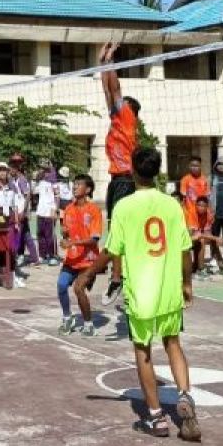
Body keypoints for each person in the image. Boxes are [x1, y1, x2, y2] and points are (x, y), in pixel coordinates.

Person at [88, 147, 199, 441]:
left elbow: (111, 251)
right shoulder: (172, 205)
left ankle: (156, 417)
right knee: (173, 344)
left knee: (143, 351)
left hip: (141, 292)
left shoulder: (124, 207)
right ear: (158, 171)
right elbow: (186, 250)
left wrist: (87, 274)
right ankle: (185, 396)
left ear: (133, 171)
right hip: (168, 289)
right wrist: (187, 283)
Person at [99, 41, 140, 306]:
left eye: (121, 103)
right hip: (116, 182)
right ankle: (120, 276)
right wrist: (102, 62)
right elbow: (107, 89)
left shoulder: (126, 119)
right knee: (114, 231)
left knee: (119, 233)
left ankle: (118, 278)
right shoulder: (117, 120)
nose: (115, 103)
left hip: (125, 180)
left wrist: (112, 62)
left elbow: (114, 88)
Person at [57, 175, 103, 337]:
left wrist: (72, 244)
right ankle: (67, 318)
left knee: (78, 288)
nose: (74, 187)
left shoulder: (94, 210)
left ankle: (89, 324)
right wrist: (65, 237)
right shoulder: (68, 209)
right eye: (74, 184)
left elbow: (94, 239)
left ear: (88, 189)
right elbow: (67, 234)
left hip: (89, 261)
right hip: (72, 259)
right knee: (61, 286)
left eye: (78, 184)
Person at [0, 164, 27, 288]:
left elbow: (15, 206)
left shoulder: (12, 188)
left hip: (9, 219)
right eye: (1, 171)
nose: (3, 173)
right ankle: (4, 273)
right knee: (0, 246)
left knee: (12, 247)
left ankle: (12, 273)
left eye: (5, 171)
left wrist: (16, 222)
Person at [8, 155, 41, 269]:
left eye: (14, 167)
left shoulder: (21, 179)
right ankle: (34, 258)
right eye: (11, 166)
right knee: (26, 235)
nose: (12, 169)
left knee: (17, 234)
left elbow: (27, 196)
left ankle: (14, 259)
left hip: (21, 211)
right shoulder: (12, 179)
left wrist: (24, 211)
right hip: (16, 210)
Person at [187, 197, 223, 278]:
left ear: (207, 207)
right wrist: (216, 238)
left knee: (213, 241)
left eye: (203, 206)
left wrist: (216, 239)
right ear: (196, 205)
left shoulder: (208, 214)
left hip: (198, 236)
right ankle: (201, 269)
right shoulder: (191, 213)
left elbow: (208, 233)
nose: (201, 208)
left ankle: (222, 268)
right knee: (202, 240)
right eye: (199, 205)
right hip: (187, 238)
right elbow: (195, 234)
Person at [34, 163, 60, 266]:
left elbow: (57, 196)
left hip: (50, 211)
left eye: (47, 171)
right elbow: (34, 192)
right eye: (44, 171)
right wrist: (36, 179)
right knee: (40, 234)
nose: (45, 173)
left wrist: (55, 209)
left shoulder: (54, 184)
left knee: (49, 235)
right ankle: (42, 255)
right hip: (40, 211)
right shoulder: (40, 183)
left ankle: (52, 256)